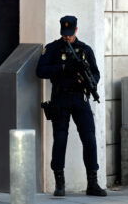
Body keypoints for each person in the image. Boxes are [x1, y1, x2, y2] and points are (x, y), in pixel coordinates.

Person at [36, 16, 107, 197]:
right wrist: (63, 67)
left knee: (89, 139)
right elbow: (40, 71)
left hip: (80, 98)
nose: (67, 37)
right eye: (64, 34)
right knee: (60, 140)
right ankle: (59, 184)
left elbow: (95, 74)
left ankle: (93, 183)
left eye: (70, 33)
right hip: (60, 98)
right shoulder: (53, 49)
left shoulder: (85, 50)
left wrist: (88, 82)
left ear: (76, 30)